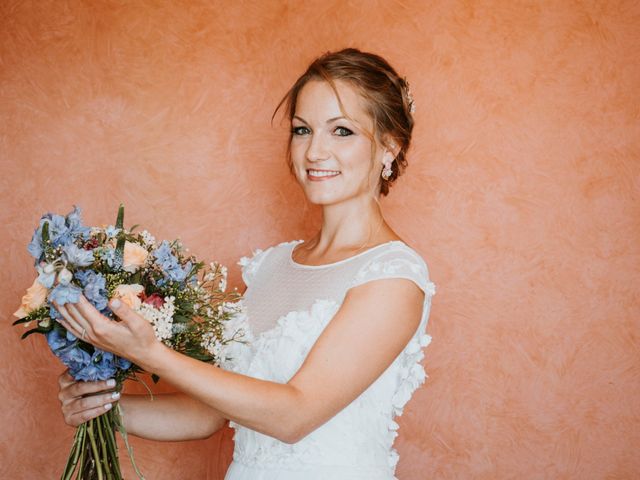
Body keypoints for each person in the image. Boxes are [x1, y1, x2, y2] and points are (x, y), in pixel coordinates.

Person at [54, 47, 437, 480]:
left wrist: (150, 354)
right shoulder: (272, 266)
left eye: (342, 131)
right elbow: (209, 414)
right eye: (302, 129)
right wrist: (103, 408)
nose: (314, 152)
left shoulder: (392, 276)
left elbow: (295, 414)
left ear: (390, 145)